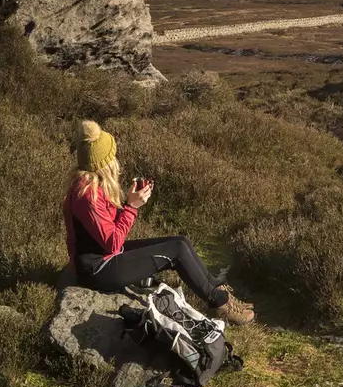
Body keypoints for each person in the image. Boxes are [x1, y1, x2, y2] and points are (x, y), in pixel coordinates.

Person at [64, 120, 255, 325]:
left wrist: (130, 200)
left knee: (181, 241)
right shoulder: (87, 195)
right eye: (112, 155)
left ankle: (216, 289)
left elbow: (106, 230)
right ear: (104, 162)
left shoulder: (93, 185)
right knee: (176, 251)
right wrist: (131, 207)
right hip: (98, 270)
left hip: (106, 256)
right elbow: (112, 242)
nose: (115, 159)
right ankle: (220, 304)